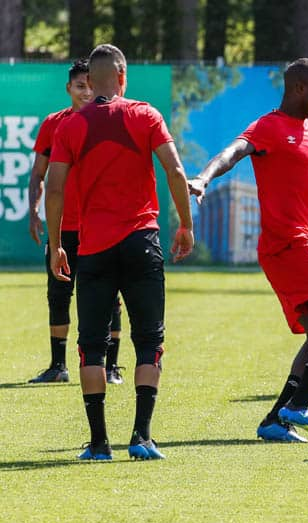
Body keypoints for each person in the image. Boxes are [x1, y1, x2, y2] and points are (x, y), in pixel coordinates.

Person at [189, 58, 308, 444]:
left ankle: (275, 420)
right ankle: (302, 404)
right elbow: (232, 152)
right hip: (286, 244)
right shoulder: (268, 127)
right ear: (299, 87)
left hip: (301, 243)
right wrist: (203, 178)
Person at [46, 44, 195, 461]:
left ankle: (98, 445)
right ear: (124, 77)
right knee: (149, 344)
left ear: (89, 83)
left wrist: (58, 244)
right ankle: (142, 437)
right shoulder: (145, 115)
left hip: (93, 248)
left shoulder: (71, 125)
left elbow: (54, 188)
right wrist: (185, 224)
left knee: (90, 347)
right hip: (142, 242)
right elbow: (175, 170)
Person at [26, 58, 126, 385]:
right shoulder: (54, 124)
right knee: (58, 294)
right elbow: (39, 175)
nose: (85, 92)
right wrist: (34, 210)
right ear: (68, 88)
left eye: (90, 85)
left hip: (101, 226)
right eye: (79, 86)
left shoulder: (110, 120)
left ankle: (111, 368)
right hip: (64, 228)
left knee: (109, 295)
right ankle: (58, 366)